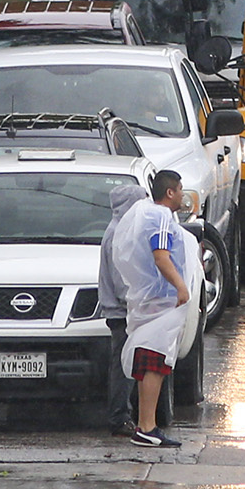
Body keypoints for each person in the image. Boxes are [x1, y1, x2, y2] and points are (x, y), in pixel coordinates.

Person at [104, 169, 192, 447]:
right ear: (170, 192)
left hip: (146, 301)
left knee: (146, 361)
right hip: (162, 301)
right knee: (155, 362)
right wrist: (181, 286)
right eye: (180, 189)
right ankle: (147, 426)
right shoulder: (162, 217)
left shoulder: (143, 215)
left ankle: (145, 425)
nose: (182, 194)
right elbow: (161, 256)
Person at [92, 177, 149, 436]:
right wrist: (140, 303)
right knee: (123, 368)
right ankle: (119, 417)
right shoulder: (118, 234)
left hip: (125, 311)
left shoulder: (120, 230)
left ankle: (124, 414)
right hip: (123, 313)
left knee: (127, 365)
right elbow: (122, 282)